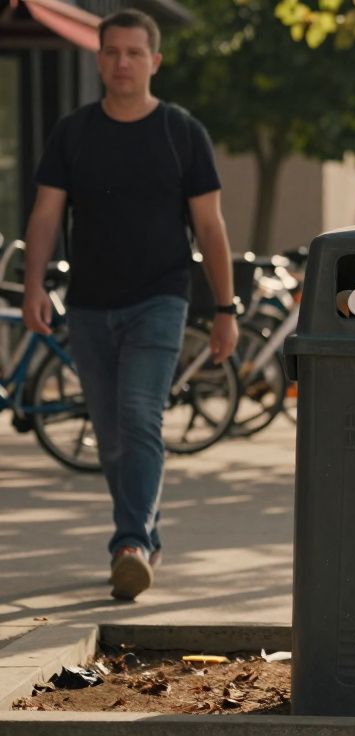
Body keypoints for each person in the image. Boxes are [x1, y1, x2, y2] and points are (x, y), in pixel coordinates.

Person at [21, 9, 238, 601]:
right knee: (113, 435)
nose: (121, 63)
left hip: (160, 299)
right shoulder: (74, 132)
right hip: (89, 304)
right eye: (111, 52)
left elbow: (211, 228)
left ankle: (129, 545)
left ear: (154, 61)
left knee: (141, 415)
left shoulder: (180, 132)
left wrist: (226, 308)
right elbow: (45, 215)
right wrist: (35, 284)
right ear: (98, 59)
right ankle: (146, 535)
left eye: (133, 53)